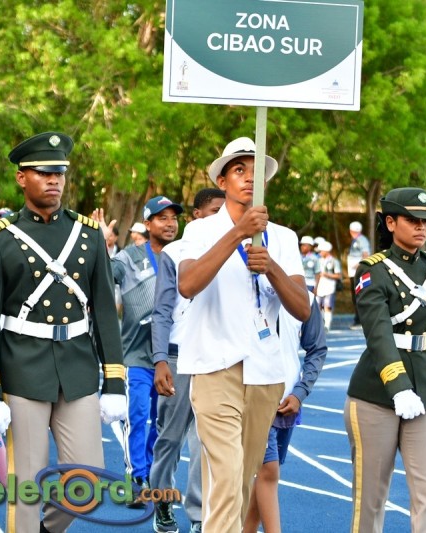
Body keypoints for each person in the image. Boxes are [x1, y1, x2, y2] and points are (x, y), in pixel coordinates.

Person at [0, 132, 127, 533]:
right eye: (43, 172)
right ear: (22, 178)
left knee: (88, 483)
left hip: (77, 367)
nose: (54, 179)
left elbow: (104, 312)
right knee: (26, 487)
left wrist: (114, 381)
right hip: (22, 368)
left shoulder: (88, 234)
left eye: (59, 172)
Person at [176, 137, 310, 532]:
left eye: (257, 172)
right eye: (239, 170)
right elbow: (188, 284)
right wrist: (238, 233)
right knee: (227, 475)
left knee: (241, 481)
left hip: (265, 372)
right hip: (215, 368)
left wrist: (272, 268)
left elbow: (302, 309)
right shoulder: (200, 229)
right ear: (222, 181)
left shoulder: (283, 238)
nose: (250, 178)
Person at [344, 187, 426, 533]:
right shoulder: (373, 270)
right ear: (390, 223)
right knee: (370, 500)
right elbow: (378, 335)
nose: (421, 226)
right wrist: (400, 387)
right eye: (412, 219)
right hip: (377, 393)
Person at [151, 187, 224, 533]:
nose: (221, 217)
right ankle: (163, 501)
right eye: (214, 211)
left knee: (204, 442)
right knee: (170, 438)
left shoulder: (235, 249)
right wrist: (160, 359)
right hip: (179, 356)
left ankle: (198, 514)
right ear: (197, 215)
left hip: (215, 358)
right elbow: (162, 310)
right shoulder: (174, 252)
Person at [112, 195, 182, 506]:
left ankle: (154, 473)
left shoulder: (184, 255)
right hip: (137, 355)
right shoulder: (129, 257)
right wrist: (103, 246)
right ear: (147, 223)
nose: (170, 224)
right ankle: (135, 478)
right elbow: (102, 275)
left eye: (174, 218)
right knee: (137, 416)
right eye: (162, 218)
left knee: (163, 421)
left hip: (171, 355)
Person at [243, 293, 327, 533]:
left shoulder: (304, 298)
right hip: (254, 399)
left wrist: (300, 392)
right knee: (268, 471)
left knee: (265, 475)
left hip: (287, 402)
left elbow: (317, 348)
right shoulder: (247, 290)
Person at [347, 221, 371, 328]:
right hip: (353, 272)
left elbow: (366, 255)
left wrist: (358, 266)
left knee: (359, 295)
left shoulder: (362, 240)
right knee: (355, 296)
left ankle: (361, 320)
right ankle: (358, 319)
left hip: (358, 271)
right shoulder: (355, 240)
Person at [315, 241, 341, 331]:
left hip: (330, 286)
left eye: (321, 251)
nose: (320, 253)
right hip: (319, 286)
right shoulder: (318, 260)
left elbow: (338, 275)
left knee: (327, 306)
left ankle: (327, 325)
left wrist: (326, 274)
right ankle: (320, 324)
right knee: (318, 306)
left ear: (326, 251)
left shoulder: (334, 261)